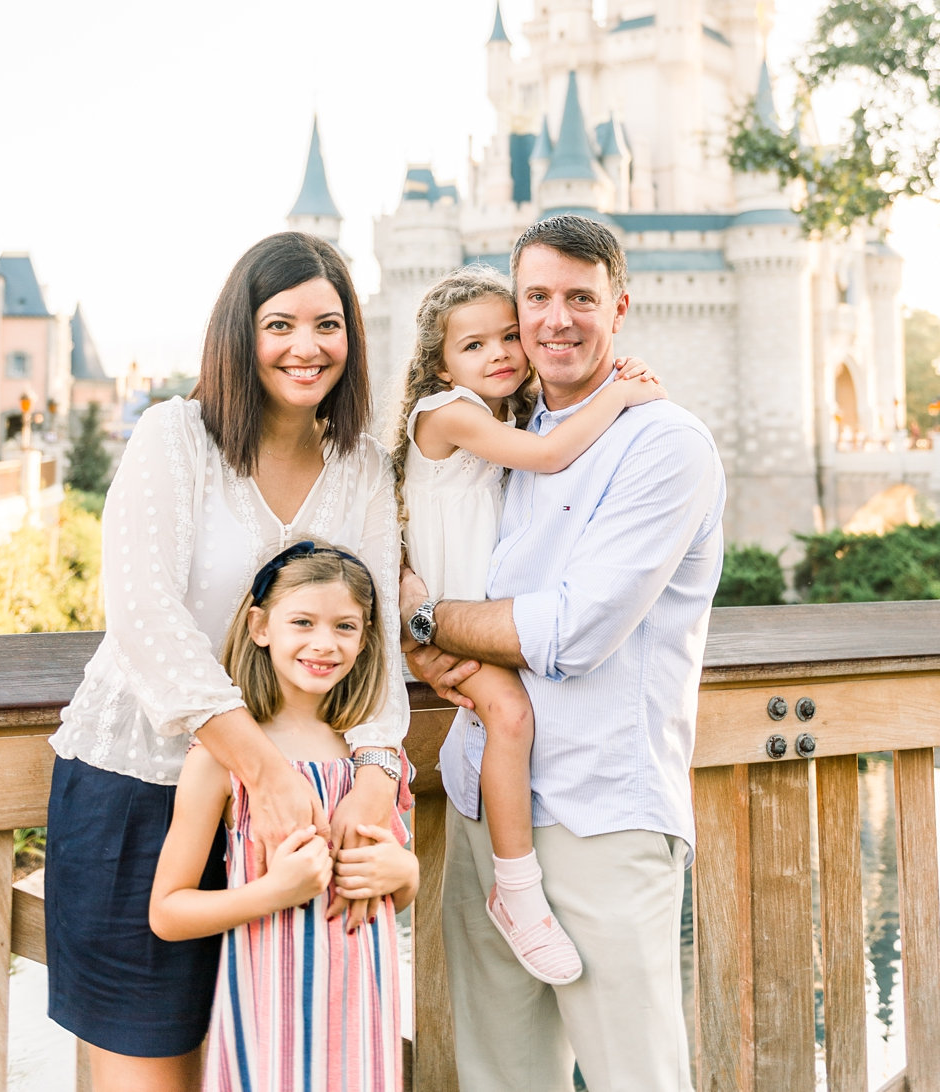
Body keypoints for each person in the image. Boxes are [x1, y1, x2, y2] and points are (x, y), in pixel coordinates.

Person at [45, 231, 409, 1092]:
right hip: (143, 795)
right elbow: (143, 616)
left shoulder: (360, 466)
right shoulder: (175, 437)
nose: (305, 346)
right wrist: (266, 770)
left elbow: (380, 636)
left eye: (328, 324)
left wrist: (377, 770)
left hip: (292, 821)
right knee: (150, 1073)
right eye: (279, 323)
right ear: (239, 333)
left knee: (280, 1064)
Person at [401, 213, 726, 1092]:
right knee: (502, 1078)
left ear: (618, 307)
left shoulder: (663, 444)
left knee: (634, 1078)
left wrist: (426, 620)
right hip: (480, 805)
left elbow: (570, 633)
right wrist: (406, 601)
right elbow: (407, 526)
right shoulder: (497, 439)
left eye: (579, 298)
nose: (553, 320)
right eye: (533, 299)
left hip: (600, 816)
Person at [393, 265, 663, 986]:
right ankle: (517, 895)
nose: (501, 354)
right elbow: (549, 455)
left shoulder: (493, 417)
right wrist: (623, 395)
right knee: (509, 714)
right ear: (440, 362)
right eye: (474, 345)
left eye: (509, 336)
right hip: (446, 617)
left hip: (466, 617)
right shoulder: (449, 412)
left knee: (507, 713)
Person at [150, 541, 418, 1092]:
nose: (324, 643)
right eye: (303, 622)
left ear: (366, 637)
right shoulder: (224, 761)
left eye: (346, 626)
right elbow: (168, 912)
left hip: (362, 1010)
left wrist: (405, 875)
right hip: (268, 1011)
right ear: (260, 627)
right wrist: (275, 892)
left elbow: (392, 883)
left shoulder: (371, 759)